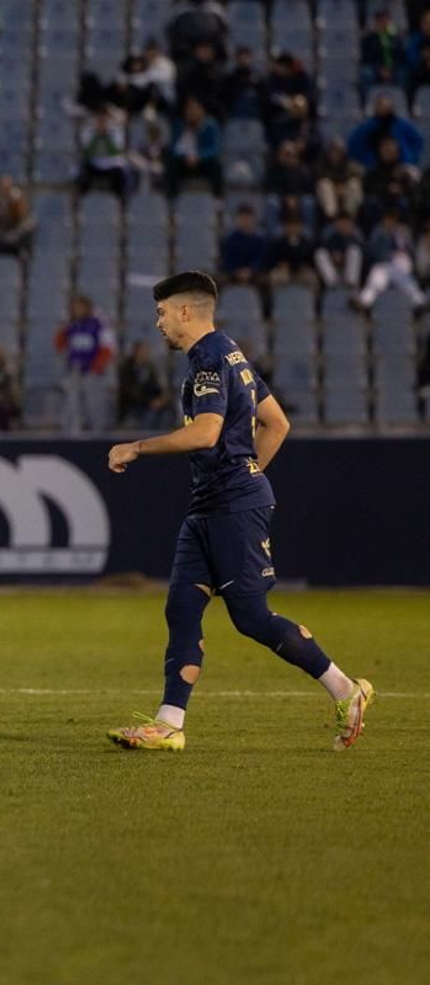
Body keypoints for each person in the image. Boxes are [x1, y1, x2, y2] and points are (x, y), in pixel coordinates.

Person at [106, 271, 372, 752]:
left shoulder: (209, 359)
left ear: (186, 311)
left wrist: (138, 447)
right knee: (182, 607)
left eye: (162, 312)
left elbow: (206, 433)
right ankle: (169, 724)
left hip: (229, 505)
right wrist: (246, 471)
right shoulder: (233, 354)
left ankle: (345, 689)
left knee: (251, 617)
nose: (158, 322)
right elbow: (277, 422)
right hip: (212, 504)